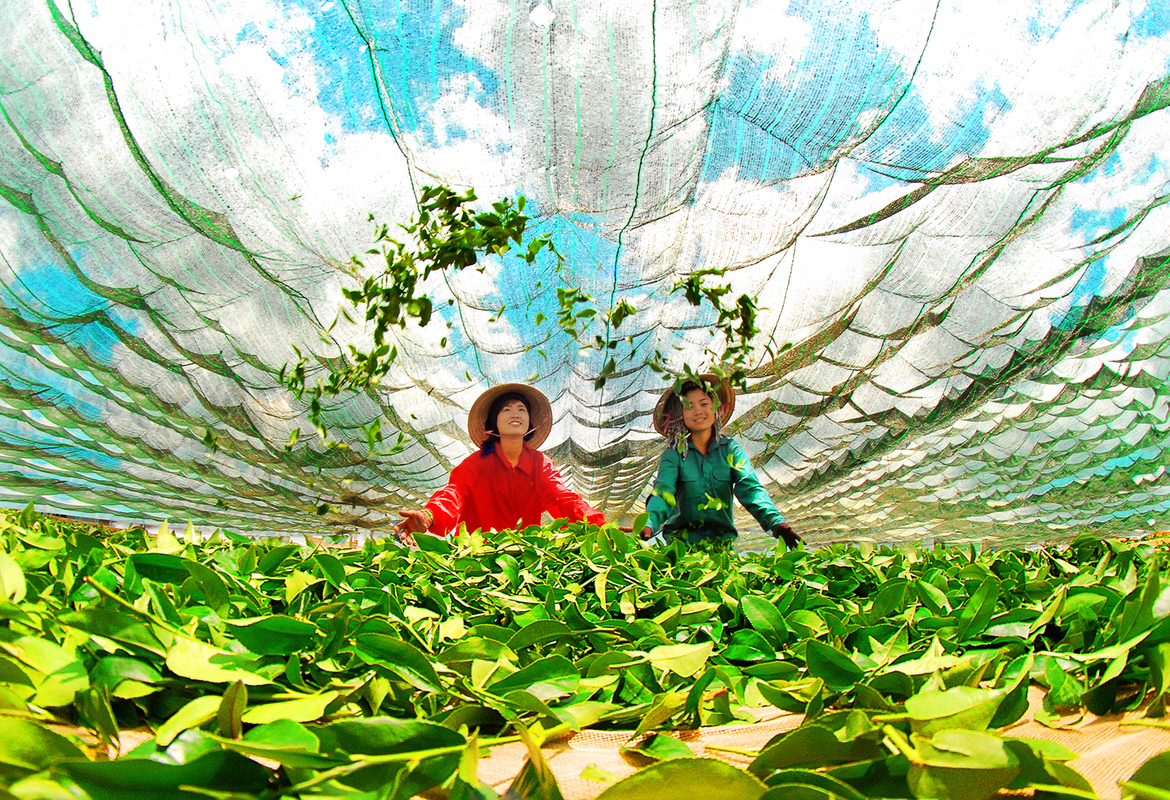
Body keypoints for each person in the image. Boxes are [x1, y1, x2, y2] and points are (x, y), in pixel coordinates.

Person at [395, 383, 604, 543]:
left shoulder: (541, 465)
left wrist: (598, 526)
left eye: (521, 409)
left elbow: (563, 499)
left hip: (524, 558)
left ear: (530, 422)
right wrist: (429, 515)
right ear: (494, 422)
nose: (515, 413)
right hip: (476, 556)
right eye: (506, 410)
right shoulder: (477, 464)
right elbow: (453, 494)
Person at [640, 374, 801, 549]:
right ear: (680, 414)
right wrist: (649, 524)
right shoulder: (673, 454)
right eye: (689, 406)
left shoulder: (731, 450)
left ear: (715, 408)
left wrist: (777, 524)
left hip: (722, 548)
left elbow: (750, 488)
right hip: (680, 549)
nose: (698, 411)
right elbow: (664, 492)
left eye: (704, 404)